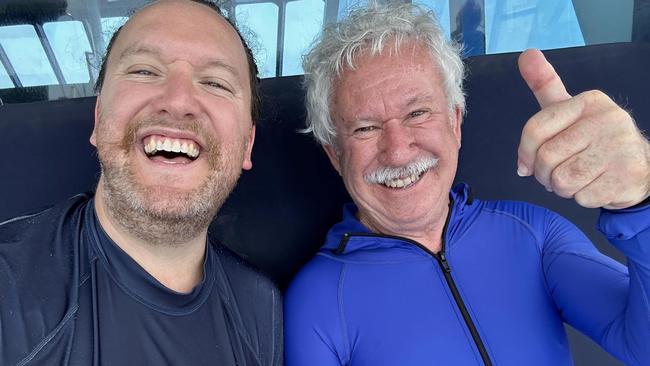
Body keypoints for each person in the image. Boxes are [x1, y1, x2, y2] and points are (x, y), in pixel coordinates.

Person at [284, 3, 649, 365]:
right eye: (365, 128)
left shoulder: (533, 234)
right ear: (335, 155)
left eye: (417, 113)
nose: (396, 152)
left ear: (455, 123)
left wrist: (641, 202)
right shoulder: (317, 301)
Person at [0, 1, 282, 365]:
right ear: (99, 118)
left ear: (247, 143)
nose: (178, 101)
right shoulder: (7, 281)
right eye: (145, 71)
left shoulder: (260, 307)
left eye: (215, 82)